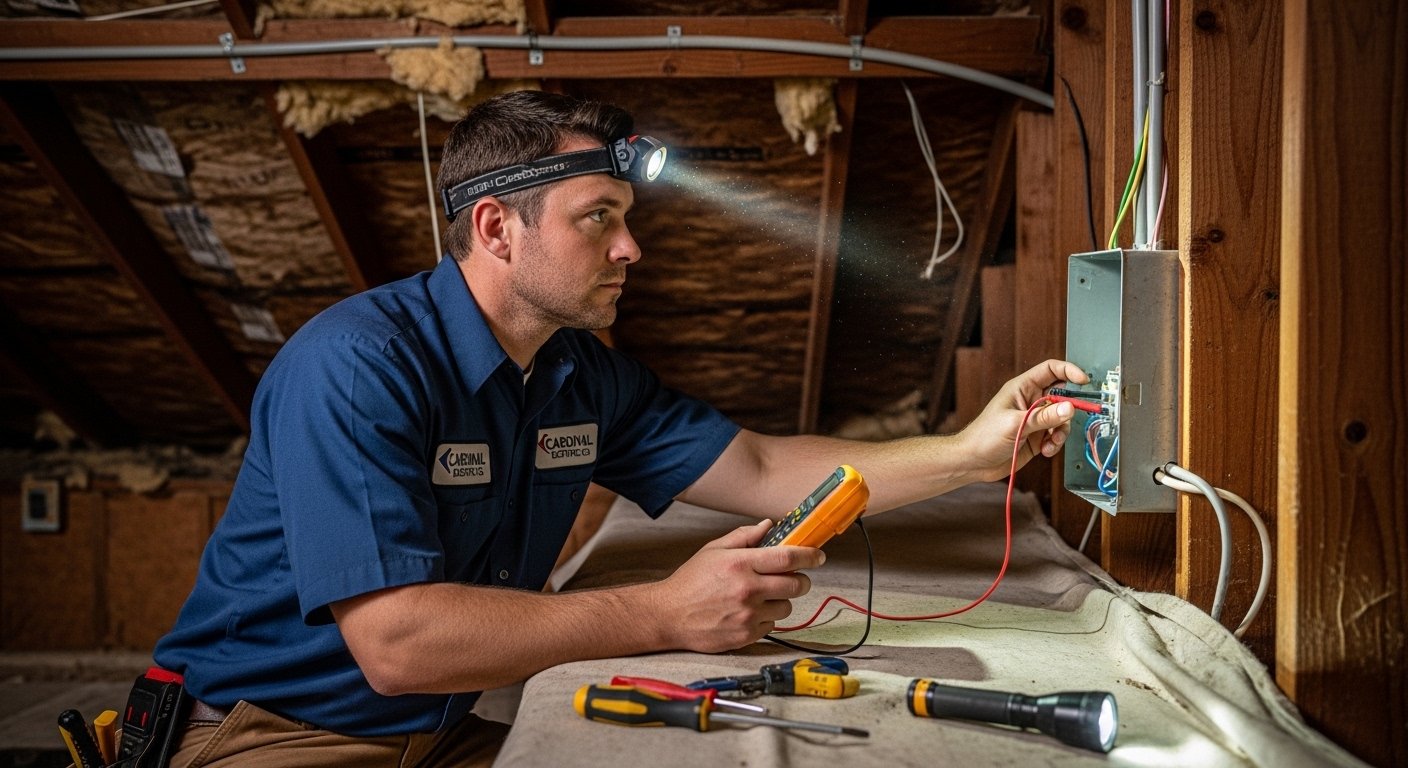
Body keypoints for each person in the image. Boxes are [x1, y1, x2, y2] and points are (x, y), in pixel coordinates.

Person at [151, 90, 1086, 766]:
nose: (631, 248)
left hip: (427, 732)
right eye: (599, 219)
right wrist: (664, 611)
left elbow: (761, 466)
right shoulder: (359, 365)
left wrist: (970, 452)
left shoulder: (575, 371)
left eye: (627, 218)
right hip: (263, 736)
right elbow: (397, 647)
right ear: (495, 228)